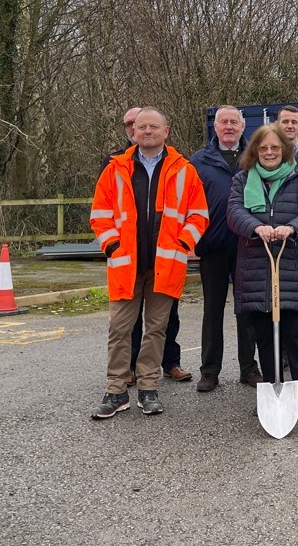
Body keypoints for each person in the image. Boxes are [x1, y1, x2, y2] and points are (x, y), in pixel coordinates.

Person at [90, 108, 209, 419]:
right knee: (119, 329)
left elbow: (199, 215)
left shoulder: (184, 170)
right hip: (126, 265)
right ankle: (116, 391)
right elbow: (100, 214)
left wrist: (183, 243)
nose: (146, 132)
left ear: (166, 131)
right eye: (141, 127)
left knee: (156, 330)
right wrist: (113, 245)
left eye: (153, 127)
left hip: (165, 265)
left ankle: (148, 388)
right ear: (133, 132)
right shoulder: (115, 168)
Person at [227, 124, 298, 422]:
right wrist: (255, 227)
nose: (269, 153)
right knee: (266, 338)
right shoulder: (243, 180)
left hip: (293, 267)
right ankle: (271, 392)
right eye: (263, 148)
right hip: (257, 269)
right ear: (255, 151)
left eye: (275, 148)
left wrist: (292, 227)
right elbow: (234, 211)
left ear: (285, 150)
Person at [190, 105, 264, 392]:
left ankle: (249, 367)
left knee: (247, 309)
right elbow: (189, 203)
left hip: (248, 244)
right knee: (213, 309)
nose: (229, 126)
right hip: (213, 245)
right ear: (216, 127)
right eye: (224, 122)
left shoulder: (255, 157)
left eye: (234, 122)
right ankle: (209, 371)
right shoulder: (199, 161)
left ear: (243, 126)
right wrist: (195, 239)